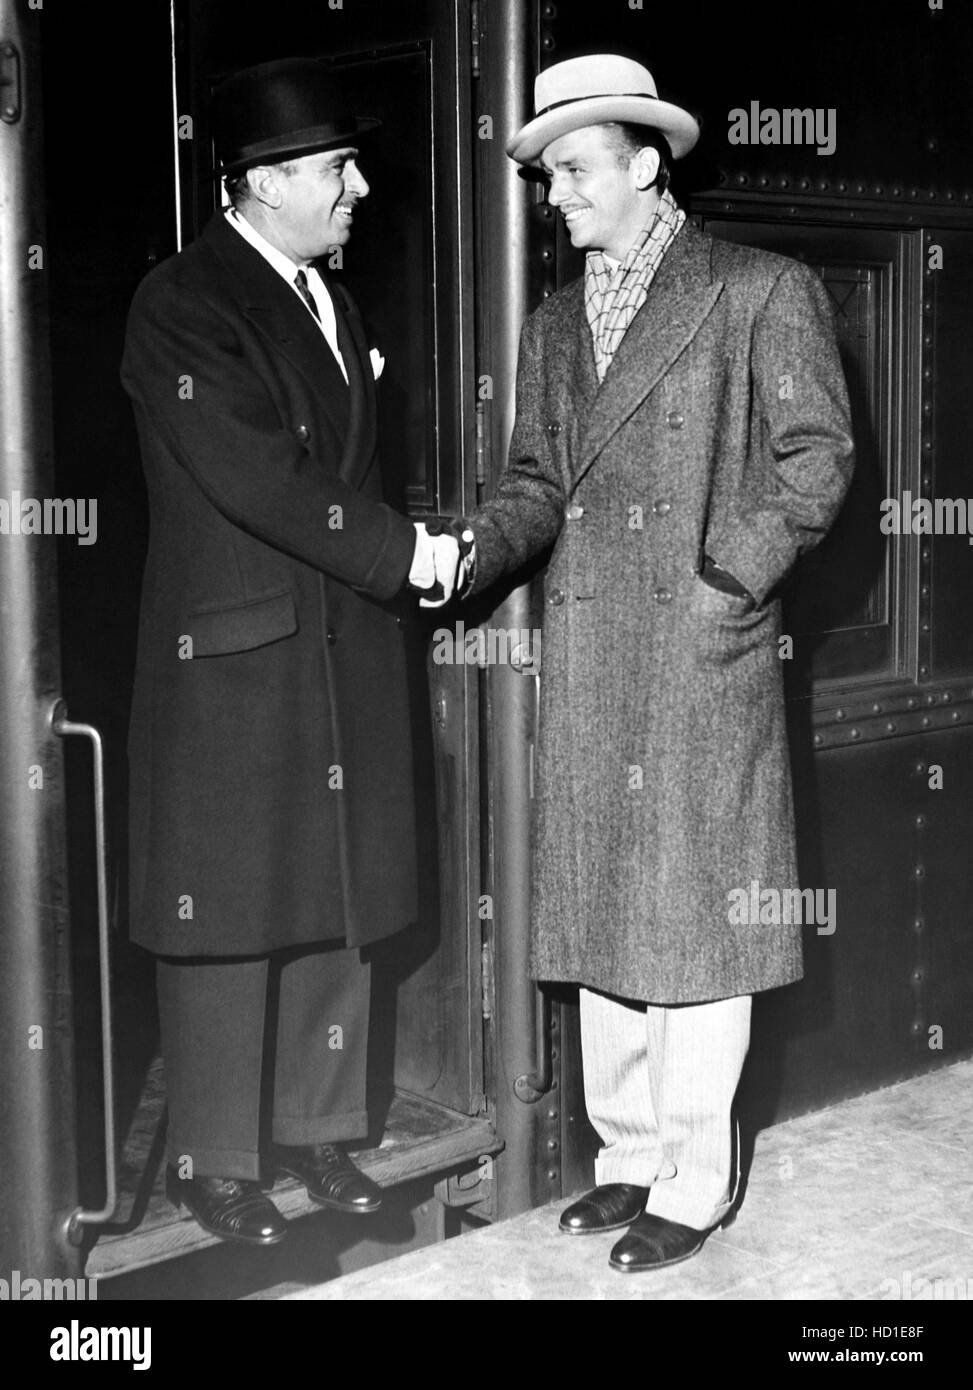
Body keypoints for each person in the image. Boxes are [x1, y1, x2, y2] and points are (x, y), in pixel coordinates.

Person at [457, 54, 854, 1272]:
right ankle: (626, 1155)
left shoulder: (754, 289)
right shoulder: (554, 325)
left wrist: (720, 582)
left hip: (693, 647)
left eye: (573, 170)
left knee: (690, 924)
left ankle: (693, 1172)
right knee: (601, 909)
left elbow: (816, 456)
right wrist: (466, 553)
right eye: (548, 176)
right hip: (589, 647)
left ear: (644, 162)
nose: (555, 195)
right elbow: (535, 483)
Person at [120, 56, 460, 1246]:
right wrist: (405, 556)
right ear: (260, 184)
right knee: (225, 906)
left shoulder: (332, 297)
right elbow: (260, 475)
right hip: (238, 655)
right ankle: (213, 1160)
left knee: (340, 891)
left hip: (341, 643)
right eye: (332, 169)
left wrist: (395, 556)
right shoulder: (182, 299)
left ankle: (319, 1135)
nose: (358, 187)